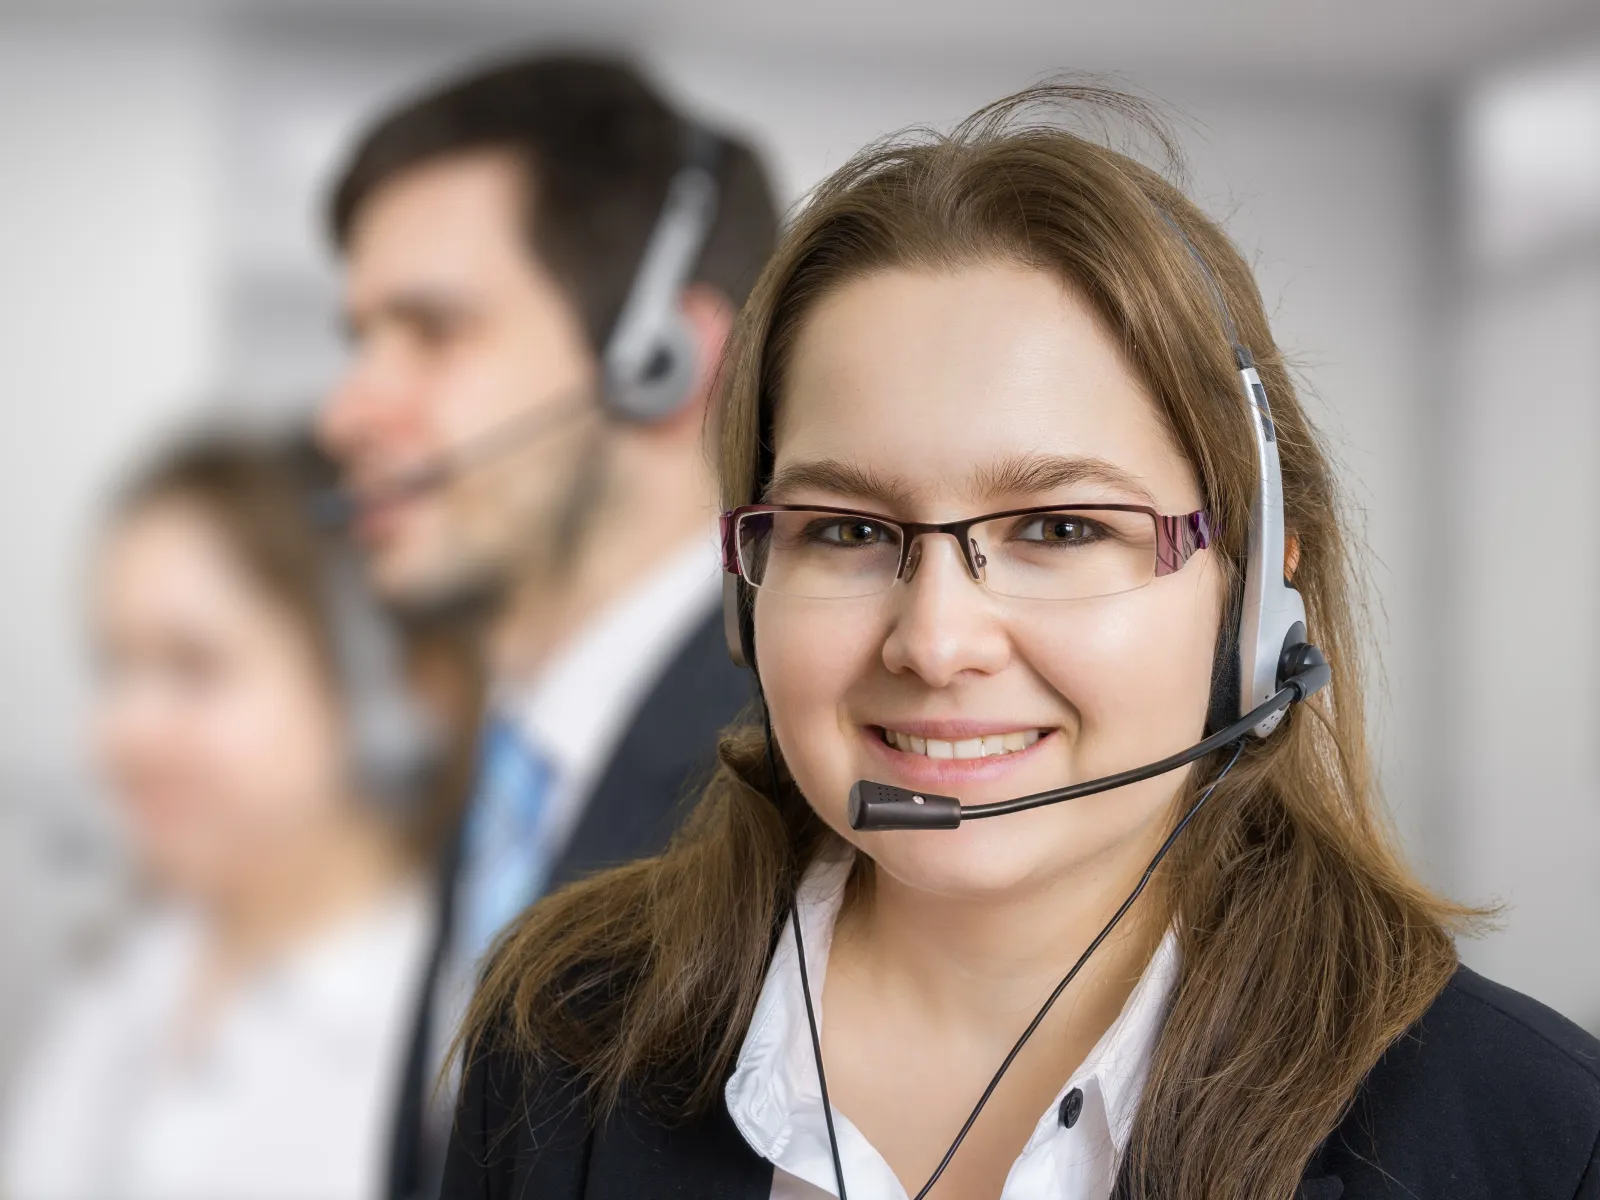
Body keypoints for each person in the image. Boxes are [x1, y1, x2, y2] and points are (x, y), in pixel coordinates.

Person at [441, 85, 1600, 1200]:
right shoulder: (559, 1034)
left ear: (1258, 579)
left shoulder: (1536, 1136)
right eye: (845, 528)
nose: (937, 643)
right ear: (749, 585)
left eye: (1059, 527)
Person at [317, 53, 780, 1200]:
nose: (346, 412)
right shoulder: (502, 766)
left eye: (431, 331)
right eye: (359, 338)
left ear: (661, 363)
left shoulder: (783, 793)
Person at [0, 433, 465, 1200]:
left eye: (194, 665)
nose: (118, 735)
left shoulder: (447, 1039)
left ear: (371, 691)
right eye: (113, 667)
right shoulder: (126, 974)